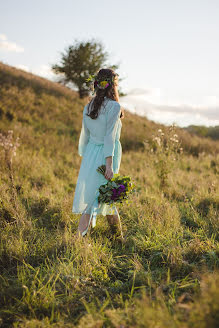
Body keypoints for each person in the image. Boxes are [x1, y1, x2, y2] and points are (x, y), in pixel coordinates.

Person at [72, 68, 124, 240]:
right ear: (112, 85)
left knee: (106, 197)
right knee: (99, 197)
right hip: (105, 155)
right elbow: (109, 137)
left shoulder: (88, 106)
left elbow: (85, 136)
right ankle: (78, 240)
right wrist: (108, 164)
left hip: (91, 154)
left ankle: (118, 238)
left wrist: (86, 158)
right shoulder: (114, 106)